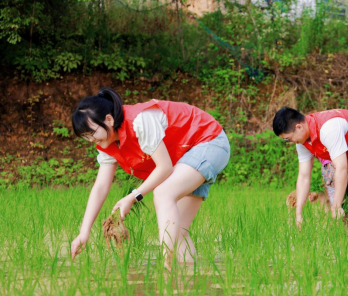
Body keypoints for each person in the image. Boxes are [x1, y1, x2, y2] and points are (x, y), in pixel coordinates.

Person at [70, 88, 230, 269]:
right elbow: (100, 187)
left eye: (92, 132)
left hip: (208, 140)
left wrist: (133, 197)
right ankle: (188, 283)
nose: (90, 140)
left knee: (163, 193)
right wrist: (84, 233)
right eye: (85, 136)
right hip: (185, 156)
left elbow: (164, 168)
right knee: (178, 232)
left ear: (109, 119)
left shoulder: (140, 121)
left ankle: (166, 270)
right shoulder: (107, 145)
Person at [273, 107, 348, 226]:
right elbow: (304, 176)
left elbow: (341, 168)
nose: (291, 142)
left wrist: (336, 205)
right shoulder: (302, 140)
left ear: (299, 127)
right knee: (345, 203)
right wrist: (298, 213)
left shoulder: (328, 129)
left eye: (289, 139)